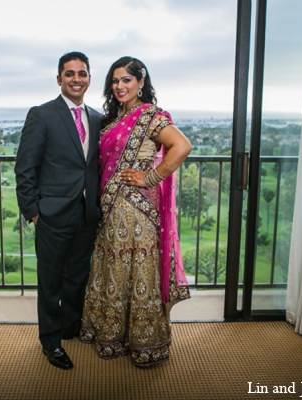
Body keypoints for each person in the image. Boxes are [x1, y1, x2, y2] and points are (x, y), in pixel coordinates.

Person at [79, 56, 192, 368]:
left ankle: (145, 342)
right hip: (110, 208)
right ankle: (112, 335)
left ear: (141, 82)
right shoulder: (113, 119)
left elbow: (182, 146)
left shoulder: (151, 116)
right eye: (115, 81)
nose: (119, 86)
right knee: (113, 269)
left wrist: (149, 177)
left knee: (137, 271)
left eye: (126, 80)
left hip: (136, 210)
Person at [15, 51, 102, 370]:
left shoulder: (96, 117)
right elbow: (25, 167)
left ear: (89, 78)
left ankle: (69, 327)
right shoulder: (42, 114)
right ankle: (50, 343)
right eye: (69, 73)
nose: (76, 78)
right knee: (50, 282)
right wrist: (34, 211)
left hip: (86, 215)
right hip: (51, 215)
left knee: (77, 277)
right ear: (59, 79)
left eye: (82, 73)